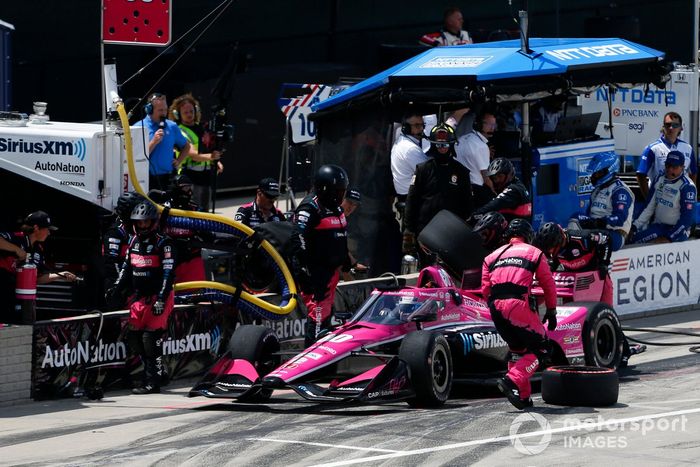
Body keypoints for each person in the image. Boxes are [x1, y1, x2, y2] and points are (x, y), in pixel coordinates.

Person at [481, 219, 557, 410]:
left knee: (518, 351)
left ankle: (523, 396)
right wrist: (552, 310)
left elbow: (485, 290)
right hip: (518, 305)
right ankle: (512, 380)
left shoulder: (491, 257)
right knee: (543, 350)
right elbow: (548, 285)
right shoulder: (534, 253)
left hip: (496, 308)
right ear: (528, 235)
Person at [106, 201, 176, 394]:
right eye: (140, 222)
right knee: (134, 338)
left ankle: (152, 382)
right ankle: (157, 373)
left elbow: (168, 273)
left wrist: (162, 298)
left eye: (146, 222)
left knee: (149, 339)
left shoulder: (164, 243)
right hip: (138, 298)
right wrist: (116, 288)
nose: (143, 226)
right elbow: (127, 269)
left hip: (159, 297)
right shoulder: (134, 242)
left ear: (153, 222)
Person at [291, 165, 351, 347]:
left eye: (343, 191)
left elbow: (341, 237)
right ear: (325, 189)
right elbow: (297, 238)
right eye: (338, 191)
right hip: (315, 277)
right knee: (317, 320)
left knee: (326, 320)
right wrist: (304, 270)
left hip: (331, 276)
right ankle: (311, 365)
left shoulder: (337, 210)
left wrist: (346, 261)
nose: (341, 195)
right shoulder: (310, 208)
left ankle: (326, 365)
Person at [404, 123, 473, 264]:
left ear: (451, 145)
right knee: (427, 266)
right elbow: (412, 200)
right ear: (433, 145)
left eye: (445, 145)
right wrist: (409, 229)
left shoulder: (461, 172)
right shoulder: (422, 170)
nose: (442, 148)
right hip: (426, 230)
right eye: (439, 145)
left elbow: (468, 205)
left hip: (451, 231)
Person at [0, 211, 78, 321]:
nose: (49, 233)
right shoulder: (17, 238)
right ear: (36, 228)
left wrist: (60, 275)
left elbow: (36, 278)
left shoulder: (38, 250)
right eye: (47, 229)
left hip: (20, 297)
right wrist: (16, 249)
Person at [534, 221, 613, 305]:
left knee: (606, 307)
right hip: (572, 282)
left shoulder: (583, 238)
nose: (549, 251)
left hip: (596, 277)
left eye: (551, 248)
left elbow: (606, 238)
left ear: (559, 240)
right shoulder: (552, 250)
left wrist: (604, 263)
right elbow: (553, 261)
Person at [168, 93, 224, 211]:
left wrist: (216, 161)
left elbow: (207, 148)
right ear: (178, 114)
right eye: (185, 112)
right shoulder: (180, 131)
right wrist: (212, 157)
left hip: (205, 176)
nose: (189, 114)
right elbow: (193, 155)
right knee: (194, 212)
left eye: (191, 111)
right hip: (189, 177)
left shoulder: (202, 128)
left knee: (206, 211)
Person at [630, 150, 697, 244]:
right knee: (632, 240)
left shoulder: (687, 186)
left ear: (682, 167)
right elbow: (649, 207)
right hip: (658, 227)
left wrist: (670, 238)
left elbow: (687, 219)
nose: (670, 169)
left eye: (674, 167)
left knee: (658, 244)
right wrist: (634, 227)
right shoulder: (659, 178)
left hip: (678, 230)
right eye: (668, 165)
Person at [572, 151, 634, 251]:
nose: (594, 176)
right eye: (594, 173)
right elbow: (588, 214)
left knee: (591, 238)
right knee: (576, 217)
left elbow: (619, 218)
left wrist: (599, 222)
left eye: (598, 173)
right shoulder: (597, 190)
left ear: (609, 170)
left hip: (614, 234)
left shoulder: (620, 191)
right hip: (595, 229)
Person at [636, 111, 697, 201]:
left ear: (681, 128)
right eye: (668, 124)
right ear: (663, 127)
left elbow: (693, 173)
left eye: (675, 125)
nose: (671, 128)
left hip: (681, 200)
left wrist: (691, 195)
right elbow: (641, 175)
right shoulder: (652, 148)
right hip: (659, 199)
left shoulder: (688, 148)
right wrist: (648, 199)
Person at [138, 93, 192, 191]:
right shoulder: (138, 127)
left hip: (168, 179)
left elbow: (186, 146)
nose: (164, 113)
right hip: (147, 180)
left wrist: (178, 161)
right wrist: (154, 142)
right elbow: (136, 157)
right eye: (160, 110)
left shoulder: (172, 126)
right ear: (149, 110)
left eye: (165, 110)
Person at [102, 191, 145, 309]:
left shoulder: (137, 228)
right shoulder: (116, 232)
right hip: (117, 286)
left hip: (134, 283)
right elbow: (111, 262)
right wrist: (121, 284)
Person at [455, 111, 497, 207]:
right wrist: (494, 192)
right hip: (476, 191)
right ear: (478, 124)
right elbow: (486, 177)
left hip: (459, 188)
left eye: (494, 124)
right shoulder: (481, 146)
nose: (493, 128)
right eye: (489, 124)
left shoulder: (462, 139)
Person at [390, 112, 428, 203]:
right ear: (405, 128)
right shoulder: (410, 149)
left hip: (405, 194)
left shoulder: (402, 141)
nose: (422, 129)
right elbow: (428, 172)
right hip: (412, 198)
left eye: (422, 125)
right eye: (417, 125)